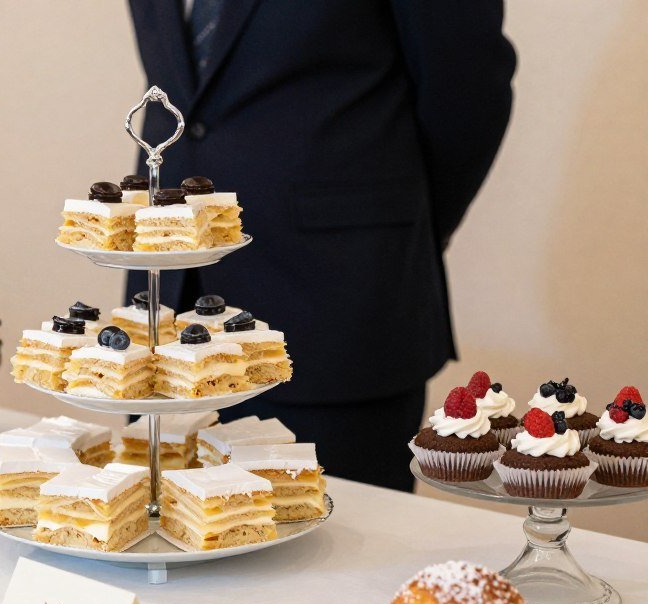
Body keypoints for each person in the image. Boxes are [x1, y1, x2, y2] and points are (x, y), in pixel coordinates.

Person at [126, 0, 516, 491]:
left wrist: (401, 229)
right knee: (157, 524)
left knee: (340, 534)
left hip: (334, 308)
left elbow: (469, 88)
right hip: (166, 300)